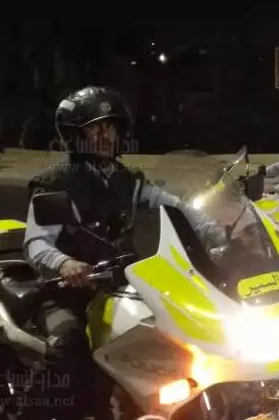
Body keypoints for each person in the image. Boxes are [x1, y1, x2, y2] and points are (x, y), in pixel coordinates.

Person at [23, 86, 222, 417]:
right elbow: (36, 242)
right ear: (75, 135)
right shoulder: (56, 183)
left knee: (168, 335)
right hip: (66, 293)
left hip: (118, 287)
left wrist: (219, 231)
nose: (105, 136)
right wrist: (65, 263)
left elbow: (179, 208)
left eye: (111, 127)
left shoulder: (127, 180)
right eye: (95, 128)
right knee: (68, 344)